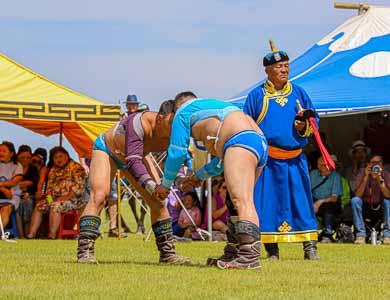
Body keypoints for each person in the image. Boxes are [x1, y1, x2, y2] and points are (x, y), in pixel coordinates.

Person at [154, 91, 268, 270]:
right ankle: (234, 253)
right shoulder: (217, 106)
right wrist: (196, 177)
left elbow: (177, 153)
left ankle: (249, 257)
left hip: (239, 140)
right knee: (234, 202)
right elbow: (220, 163)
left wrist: (165, 185)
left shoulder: (182, 113)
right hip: (257, 142)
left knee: (242, 201)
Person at [77, 100, 190, 265]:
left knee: (158, 200)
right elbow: (133, 161)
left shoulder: (178, 130)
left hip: (137, 155)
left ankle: (168, 254)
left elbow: (178, 158)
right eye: (170, 123)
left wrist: (179, 180)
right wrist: (152, 185)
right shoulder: (139, 123)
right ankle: (85, 252)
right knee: (99, 195)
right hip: (108, 149)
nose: (174, 128)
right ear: (159, 118)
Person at [243, 41, 319, 260]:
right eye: (278, 66)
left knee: (301, 203)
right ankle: (272, 249)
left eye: (286, 65)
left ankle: (310, 247)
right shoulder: (257, 96)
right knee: (268, 204)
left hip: (295, 160)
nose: (284, 69)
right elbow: (246, 125)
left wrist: (303, 125)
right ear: (267, 70)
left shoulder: (299, 93)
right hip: (269, 163)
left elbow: (315, 122)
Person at [27, 146, 87, 239]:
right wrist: (49, 200)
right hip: (56, 199)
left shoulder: (77, 167)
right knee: (39, 206)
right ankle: (31, 234)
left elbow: (78, 188)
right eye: (55, 158)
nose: (58, 159)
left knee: (56, 206)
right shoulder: (53, 170)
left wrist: (65, 198)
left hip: (74, 200)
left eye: (60, 156)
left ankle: (52, 235)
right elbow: (49, 189)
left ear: (66, 156)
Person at [351, 154, 390, 245]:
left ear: (382, 164)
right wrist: (366, 177)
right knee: (355, 200)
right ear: (368, 164)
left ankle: (387, 235)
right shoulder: (362, 173)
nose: (376, 165)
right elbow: (358, 194)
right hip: (366, 206)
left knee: (388, 201)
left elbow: (387, 195)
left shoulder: (387, 175)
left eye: (378, 162)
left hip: (381, 206)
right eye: (373, 163)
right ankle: (360, 235)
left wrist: (379, 178)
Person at [310, 156, 343, 243]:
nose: (326, 167)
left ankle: (327, 235)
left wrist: (319, 202)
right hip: (314, 201)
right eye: (323, 165)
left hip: (329, 202)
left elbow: (334, 198)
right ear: (318, 166)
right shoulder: (313, 174)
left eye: (327, 165)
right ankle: (309, 232)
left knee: (329, 207)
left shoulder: (336, 176)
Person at [16, 145, 39, 238]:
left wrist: (26, 189)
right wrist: (25, 184)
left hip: (29, 195)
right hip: (15, 195)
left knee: (28, 204)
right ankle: (21, 235)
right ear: (17, 156)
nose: (25, 159)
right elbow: (12, 182)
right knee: (17, 206)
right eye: (23, 157)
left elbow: (34, 185)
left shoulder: (33, 169)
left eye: (28, 157)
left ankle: (27, 233)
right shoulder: (14, 167)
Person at [0, 141, 23, 229]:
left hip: (12, 196)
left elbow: (13, 182)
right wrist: (3, 189)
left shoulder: (17, 165)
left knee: (6, 209)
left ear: (11, 153)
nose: (1, 153)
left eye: (4, 151)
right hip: (4, 193)